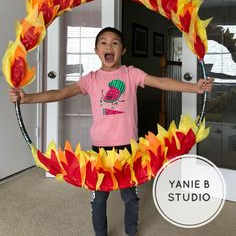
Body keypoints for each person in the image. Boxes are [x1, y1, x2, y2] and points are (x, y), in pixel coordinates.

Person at [9, 27, 214, 236]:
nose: (109, 46)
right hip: (101, 150)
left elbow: (161, 82)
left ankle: (131, 232)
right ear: (96, 50)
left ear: (122, 50)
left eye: (115, 43)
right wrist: (27, 98)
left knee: (130, 196)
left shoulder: (131, 73)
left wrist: (194, 88)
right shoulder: (90, 79)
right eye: (103, 43)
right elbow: (61, 93)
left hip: (128, 147)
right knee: (99, 198)